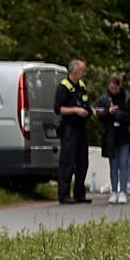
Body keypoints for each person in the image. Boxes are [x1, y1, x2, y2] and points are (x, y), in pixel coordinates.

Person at [53, 63, 93, 205]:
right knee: (67, 162)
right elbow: (58, 109)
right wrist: (75, 110)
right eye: (82, 70)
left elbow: (86, 103)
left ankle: (79, 193)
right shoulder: (63, 87)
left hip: (81, 127)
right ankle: (64, 194)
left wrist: (89, 111)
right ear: (74, 71)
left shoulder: (81, 85)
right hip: (69, 128)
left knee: (83, 161)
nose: (84, 73)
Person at [100, 72, 130, 202]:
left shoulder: (127, 97)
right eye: (111, 89)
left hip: (124, 134)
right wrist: (108, 112)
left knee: (124, 163)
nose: (113, 91)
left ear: (119, 86)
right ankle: (114, 190)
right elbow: (100, 115)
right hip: (111, 135)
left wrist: (120, 114)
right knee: (113, 165)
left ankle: (123, 191)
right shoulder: (104, 98)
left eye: (115, 88)